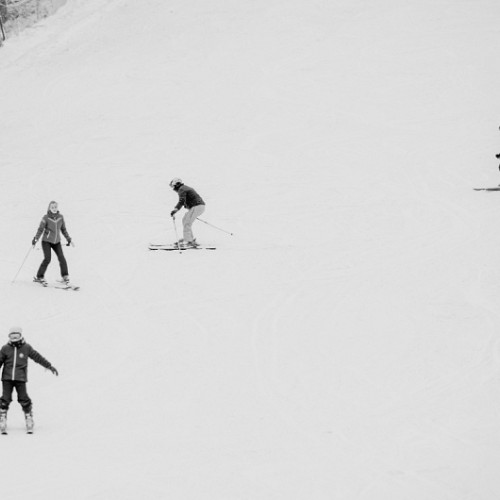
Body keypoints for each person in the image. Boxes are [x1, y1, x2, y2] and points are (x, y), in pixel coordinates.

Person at [0, 327, 58, 433]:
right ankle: (2, 418)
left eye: (16, 338)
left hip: (20, 379)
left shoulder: (26, 348)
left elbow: (37, 357)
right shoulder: (5, 349)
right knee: (5, 398)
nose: (15, 341)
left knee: (23, 398)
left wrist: (49, 366)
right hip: (7, 379)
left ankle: (28, 417)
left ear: (20, 337)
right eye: (12, 338)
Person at [32, 200, 74, 286]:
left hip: (57, 242)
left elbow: (63, 229)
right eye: (52, 207)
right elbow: (40, 229)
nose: (54, 209)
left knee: (62, 258)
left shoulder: (60, 217)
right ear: (49, 208)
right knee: (47, 259)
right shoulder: (46, 218)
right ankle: (40, 276)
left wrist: (68, 239)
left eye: (55, 207)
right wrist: (35, 239)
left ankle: (65, 276)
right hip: (46, 241)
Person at [169, 178, 206, 247]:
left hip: (197, 206)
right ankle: (189, 238)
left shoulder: (182, 189)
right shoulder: (184, 188)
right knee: (185, 220)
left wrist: (175, 210)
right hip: (197, 207)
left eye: (173, 186)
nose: (173, 188)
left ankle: (189, 241)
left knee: (187, 223)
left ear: (176, 184)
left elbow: (182, 201)